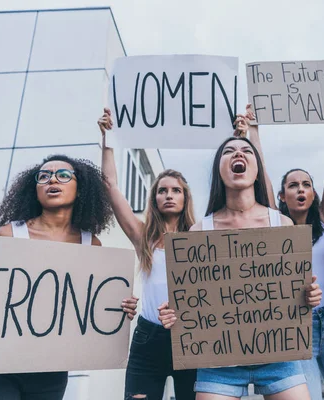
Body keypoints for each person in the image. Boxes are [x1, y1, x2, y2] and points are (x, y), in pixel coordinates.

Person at [0, 154, 138, 400]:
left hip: (49, 371)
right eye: (43, 176)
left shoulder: (90, 244)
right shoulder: (9, 234)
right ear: (34, 189)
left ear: (81, 188)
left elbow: (89, 304)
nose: (52, 179)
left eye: (63, 175)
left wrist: (118, 306)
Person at [158, 134, 322, 400]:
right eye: (228, 151)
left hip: (279, 357)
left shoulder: (282, 225)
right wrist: (173, 313)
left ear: (257, 170)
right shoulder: (200, 231)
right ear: (219, 171)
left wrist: (310, 295)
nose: (238, 154)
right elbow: (192, 300)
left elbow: (295, 293)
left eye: (246, 150)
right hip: (218, 362)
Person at [236, 104, 324, 399]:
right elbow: (261, 173)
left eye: (306, 184)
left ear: (314, 193)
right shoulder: (275, 223)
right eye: (293, 185)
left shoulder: (323, 219)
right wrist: (254, 130)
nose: (301, 189)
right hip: (294, 325)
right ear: (281, 196)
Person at [98, 108, 197, 400]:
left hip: (191, 337)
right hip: (148, 339)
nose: (169, 195)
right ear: (154, 197)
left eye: (176, 190)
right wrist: (108, 139)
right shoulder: (144, 237)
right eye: (162, 190)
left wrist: (240, 138)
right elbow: (110, 186)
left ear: (185, 197)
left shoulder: (199, 238)